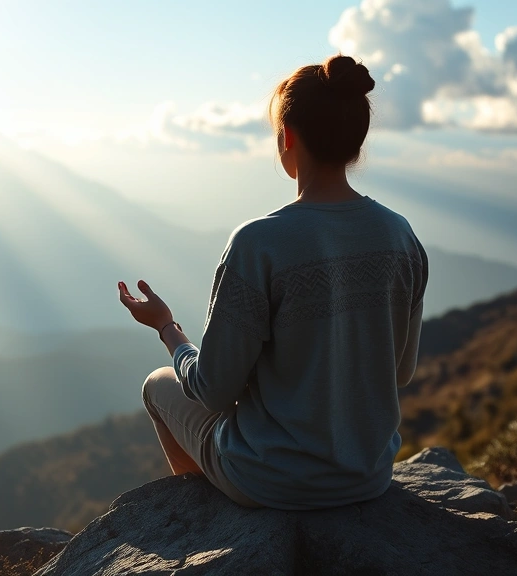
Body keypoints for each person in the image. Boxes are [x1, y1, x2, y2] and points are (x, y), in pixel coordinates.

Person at [118, 54, 427, 510]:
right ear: (356, 142)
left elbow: (214, 391)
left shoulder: (259, 244)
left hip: (272, 481)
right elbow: (399, 371)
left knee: (157, 383)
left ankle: (205, 519)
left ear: (288, 138)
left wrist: (168, 328)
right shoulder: (400, 236)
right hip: (368, 477)